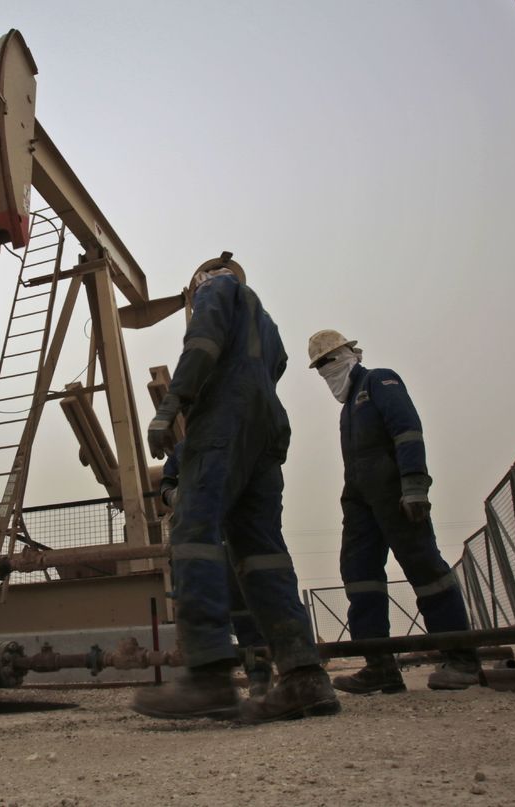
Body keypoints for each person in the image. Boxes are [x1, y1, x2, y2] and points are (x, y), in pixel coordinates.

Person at [132, 256, 338, 723]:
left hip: (224, 418)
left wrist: (174, 403)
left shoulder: (214, 290)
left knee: (193, 530)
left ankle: (209, 675)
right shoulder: (267, 323)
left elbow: (203, 342)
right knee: (261, 548)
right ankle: (305, 677)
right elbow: (277, 367)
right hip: (267, 428)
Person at [306, 329, 480, 692]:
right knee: (359, 574)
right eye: (319, 366)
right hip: (359, 501)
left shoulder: (378, 382)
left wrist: (415, 484)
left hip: (395, 495)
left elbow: (407, 429)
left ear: (348, 354)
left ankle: (461, 658)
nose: (326, 370)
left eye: (328, 361)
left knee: (424, 567)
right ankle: (379, 665)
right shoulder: (348, 411)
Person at [158, 445, 272, 698]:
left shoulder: (230, 439)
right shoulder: (182, 450)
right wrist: (175, 496)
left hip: (229, 534)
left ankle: (258, 676)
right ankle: (211, 683)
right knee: (198, 611)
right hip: (192, 539)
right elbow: (165, 484)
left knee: (243, 608)